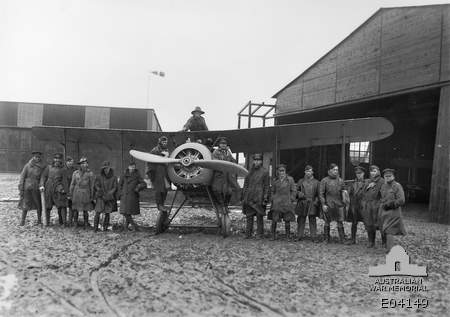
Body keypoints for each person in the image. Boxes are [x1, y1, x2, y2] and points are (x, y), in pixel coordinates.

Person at [242, 153, 270, 239]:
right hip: (249, 196)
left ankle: (259, 234)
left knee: (259, 216)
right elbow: (245, 184)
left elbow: (266, 186)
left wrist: (265, 197)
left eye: (258, 160)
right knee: (249, 216)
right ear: (253, 161)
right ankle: (248, 234)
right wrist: (243, 195)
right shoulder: (249, 171)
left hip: (259, 197)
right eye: (255, 160)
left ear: (261, 161)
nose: (256, 162)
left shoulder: (265, 172)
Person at [319, 163, 347, 243]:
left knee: (340, 222)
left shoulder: (340, 181)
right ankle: (326, 239)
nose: (336, 171)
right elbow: (321, 193)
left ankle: (342, 239)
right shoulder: (324, 181)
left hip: (339, 204)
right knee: (327, 222)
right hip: (328, 204)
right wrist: (323, 204)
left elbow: (344, 191)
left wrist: (345, 199)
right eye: (334, 170)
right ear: (329, 171)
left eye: (337, 170)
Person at [378, 169, 406, 251]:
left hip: (393, 212)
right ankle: (387, 246)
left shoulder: (397, 186)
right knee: (384, 229)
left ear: (393, 176)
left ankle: (389, 250)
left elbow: (401, 200)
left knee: (389, 230)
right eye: (386, 176)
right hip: (384, 212)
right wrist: (382, 204)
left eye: (389, 176)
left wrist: (391, 204)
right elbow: (382, 198)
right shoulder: (383, 186)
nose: (388, 178)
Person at [210, 137, 240, 212]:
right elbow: (215, 162)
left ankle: (225, 205)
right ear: (219, 145)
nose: (223, 145)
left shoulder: (228, 152)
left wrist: (230, 153)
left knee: (229, 191)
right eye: (222, 144)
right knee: (217, 190)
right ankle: (222, 206)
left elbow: (234, 161)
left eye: (225, 144)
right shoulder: (216, 152)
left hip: (227, 176)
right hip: (219, 175)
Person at [39, 153, 69, 226]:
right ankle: (47, 222)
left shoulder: (63, 169)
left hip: (58, 188)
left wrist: (64, 189)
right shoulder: (48, 168)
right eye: (56, 158)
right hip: (48, 188)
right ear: (53, 159)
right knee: (47, 206)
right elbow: (43, 177)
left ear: (61, 160)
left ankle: (64, 222)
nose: (57, 160)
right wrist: (42, 185)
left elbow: (65, 180)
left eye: (59, 159)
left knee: (62, 205)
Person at [270, 164, 296, 241]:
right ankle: (273, 235)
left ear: (285, 171)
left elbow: (294, 190)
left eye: (283, 171)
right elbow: (272, 191)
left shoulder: (290, 180)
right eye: (280, 171)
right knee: (274, 220)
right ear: (278, 172)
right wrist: (273, 198)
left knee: (287, 220)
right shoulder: (275, 180)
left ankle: (287, 236)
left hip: (286, 203)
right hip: (277, 203)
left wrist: (291, 199)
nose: (282, 172)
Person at [18, 150, 44, 226]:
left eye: (38, 157)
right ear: (33, 157)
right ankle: (22, 220)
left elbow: (42, 177)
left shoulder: (42, 166)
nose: (37, 158)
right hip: (27, 187)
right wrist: (21, 188)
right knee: (25, 204)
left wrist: (41, 185)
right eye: (36, 157)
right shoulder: (27, 165)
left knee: (38, 204)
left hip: (36, 188)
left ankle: (39, 220)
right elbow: (22, 177)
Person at [118, 160, 147, 231]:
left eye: (133, 167)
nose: (132, 168)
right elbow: (119, 185)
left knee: (128, 212)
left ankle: (127, 227)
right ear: (128, 167)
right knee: (125, 212)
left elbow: (144, 184)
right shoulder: (124, 174)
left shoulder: (137, 175)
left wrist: (138, 188)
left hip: (132, 196)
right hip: (124, 196)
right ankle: (134, 226)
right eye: (131, 167)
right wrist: (121, 193)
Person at [361, 165, 384, 248]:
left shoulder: (382, 181)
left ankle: (384, 242)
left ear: (378, 171)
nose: (373, 173)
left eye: (374, 171)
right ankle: (371, 241)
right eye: (371, 171)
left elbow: (384, 194)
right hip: (368, 206)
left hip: (378, 205)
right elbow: (363, 193)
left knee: (380, 224)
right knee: (369, 223)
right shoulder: (367, 181)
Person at [295, 165, 320, 241]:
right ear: (305, 172)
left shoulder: (317, 182)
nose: (308, 173)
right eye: (307, 171)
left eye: (310, 171)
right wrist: (299, 194)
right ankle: (299, 235)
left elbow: (319, 194)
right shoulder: (301, 181)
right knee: (301, 219)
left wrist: (316, 202)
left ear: (312, 172)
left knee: (312, 219)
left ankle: (314, 237)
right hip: (302, 202)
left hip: (312, 203)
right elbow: (296, 191)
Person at [70, 157, 95, 228]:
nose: (85, 165)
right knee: (75, 209)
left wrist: (91, 195)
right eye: (83, 163)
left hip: (86, 192)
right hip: (76, 192)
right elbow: (72, 184)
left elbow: (92, 185)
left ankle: (86, 223)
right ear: (80, 165)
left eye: (86, 163)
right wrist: (70, 193)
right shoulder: (75, 173)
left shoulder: (90, 173)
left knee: (85, 209)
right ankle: (75, 223)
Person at [147, 136, 171, 212]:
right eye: (163, 142)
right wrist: (152, 175)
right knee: (159, 190)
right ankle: (159, 205)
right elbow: (150, 162)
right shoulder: (155, 150)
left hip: (165, 173)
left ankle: (162, 204)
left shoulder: (166, 150)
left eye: (166, 142)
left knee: (165, 190)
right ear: (160, 142)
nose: (165, 143)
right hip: (157, 173)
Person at [93, 161, 118, 232]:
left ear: (110, 168)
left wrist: (109, 194)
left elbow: (115, 187)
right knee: (97, 212)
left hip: (109, 198)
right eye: (104, 168)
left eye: (107, 168)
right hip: (100, 197)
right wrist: (100, 191)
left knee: (107, 213)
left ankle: (105, 227)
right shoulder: (99, 177)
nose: (106, 170)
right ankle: (95, 228)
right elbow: (96, 185)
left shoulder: (114, 177)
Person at [346, 166, 366, 244]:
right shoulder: (352, 183)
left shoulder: (367, 183)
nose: (358, 175)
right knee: (354, 223)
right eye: (357, 173)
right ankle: (353, 239)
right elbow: (348, 193)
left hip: (363, 206)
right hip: (354, 205)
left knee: (367, 222)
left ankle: (371, 241)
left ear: (363, 174)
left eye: (360, 173)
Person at [62, 156, 77, 226]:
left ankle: (70, 221)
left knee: (72, 207)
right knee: (63, 206)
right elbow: (60, 180)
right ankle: (64, 222)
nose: (70, 164)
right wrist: (61, 189)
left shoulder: (75, 170)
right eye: (69, 162)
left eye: (71, 163)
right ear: (66, 163)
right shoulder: (63, 170)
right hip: (64, 191)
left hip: (73, 191)